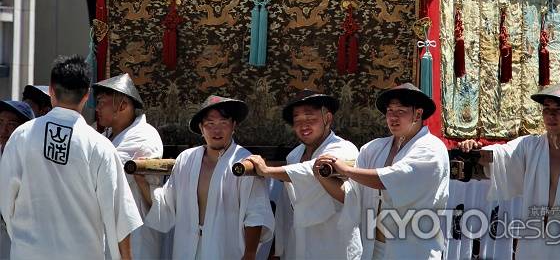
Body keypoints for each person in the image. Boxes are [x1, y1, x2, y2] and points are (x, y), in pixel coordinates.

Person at [0, 54, 142, 260]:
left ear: (50, 90)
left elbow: (5, 200)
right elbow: (119, 215)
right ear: (86, 96)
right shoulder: (99, 146)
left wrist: (23, 238)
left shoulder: (21, 137)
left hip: (29, 252)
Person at [459, 80, 560, 259]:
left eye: (558, 109)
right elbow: (499, 155)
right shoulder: (530, 147)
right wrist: (474, 150)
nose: (551, 115)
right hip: (533, 251)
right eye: (547, 109)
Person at [316, 82, 449, 259]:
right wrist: (321, 176)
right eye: (389, 111)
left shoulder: (431, 148)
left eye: (400, 111)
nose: (393, 117)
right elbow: (352, 195)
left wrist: (346, 170)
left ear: (418, 114)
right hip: (374, 247)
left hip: (414, 250)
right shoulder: (372, 149)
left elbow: (391, 179)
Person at [136, 94, 274, 260]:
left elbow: (256, 213)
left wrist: (250, 254)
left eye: (223, 123)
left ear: (233, 125)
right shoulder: (186, 159)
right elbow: (167, 204)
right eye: (210, 124)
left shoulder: (245, 163)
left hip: (226, 249)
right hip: (187, 247)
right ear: (201, 128)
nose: (217, 130)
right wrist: (141, 181)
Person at [246, 89, 362, 259]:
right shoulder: (293, 155)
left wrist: (267, 171)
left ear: (327, 118)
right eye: (297, 120)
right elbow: (286, 207)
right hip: (299, 242)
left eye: (310, 118)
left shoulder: (343, 148)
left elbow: (310, 170)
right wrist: (279, 249)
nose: (303, 125)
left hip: (335, 242)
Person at [93, 73, 164, 259]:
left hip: (136, 235)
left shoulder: (143, 136)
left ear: (122, 105)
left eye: (102, 102)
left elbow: (102, 169)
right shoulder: (106, 135)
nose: (97, 108)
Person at [0, 100, 35, 258]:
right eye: (0, 122)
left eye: (11, 124)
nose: (4, 130)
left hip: (22, 243)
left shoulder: (33, 162)